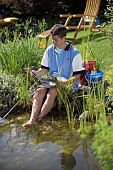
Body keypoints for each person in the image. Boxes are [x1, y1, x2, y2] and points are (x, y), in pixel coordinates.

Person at [23, 24, 85, 128]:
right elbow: (45, 69)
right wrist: (36, 73)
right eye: (52, 39)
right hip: (52, 81)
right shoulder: (49, 50)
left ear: (64, 38)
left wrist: (65, 83)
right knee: (39, 91)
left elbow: (78, 75)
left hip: (68, 83)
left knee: (52, 92)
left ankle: (38, 119)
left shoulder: (74, 53)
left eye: (55, 39)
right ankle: (31, 120)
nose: (53, 42)